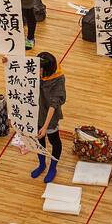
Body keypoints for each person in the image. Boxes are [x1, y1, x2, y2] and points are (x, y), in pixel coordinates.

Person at [30, 52, 66, 183]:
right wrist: (7, 61)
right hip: (35, 113)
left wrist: (45, 127)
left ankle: (53, 167)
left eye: (40, 68)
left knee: (54, 141)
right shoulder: (36, 70)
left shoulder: (58, 79)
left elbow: (53, 105)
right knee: (39, 140)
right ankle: (42, 164)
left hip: (49, 116)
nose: (36, 70)